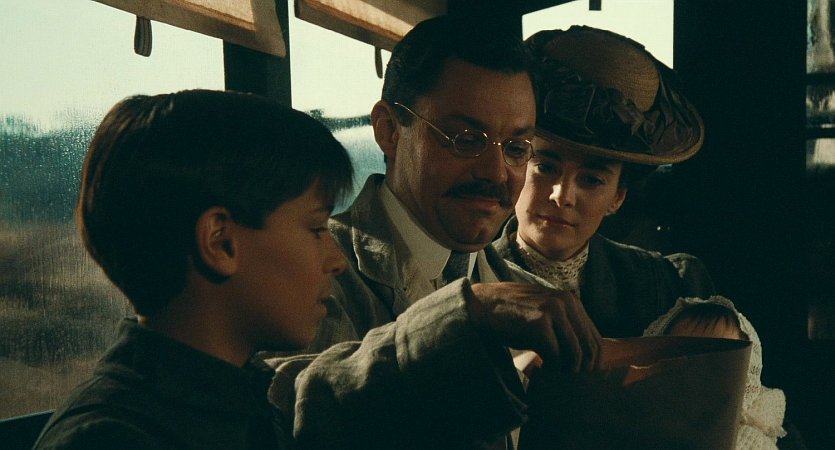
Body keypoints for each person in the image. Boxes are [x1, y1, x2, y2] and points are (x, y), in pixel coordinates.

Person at [265, 15, 602, 449]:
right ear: (389, 130)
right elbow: (280, 410)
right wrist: (463, 316)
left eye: (517, 149)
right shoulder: (312, 269)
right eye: (466, 139)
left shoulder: (531, 298)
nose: (496, 172)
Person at [32, 89, 354, 449]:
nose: (337, 261)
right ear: (220, 242)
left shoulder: (244, 405)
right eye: (316, 229)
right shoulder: (110, 440)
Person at [493, 26, 716, 338]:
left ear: (618, 197)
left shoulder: (663, 286)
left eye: (591, 179)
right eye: (545, 167)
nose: (562, 195)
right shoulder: (468, 282)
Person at [645, 296, 788, 450]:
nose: (700, 375)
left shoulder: (753, 430)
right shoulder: (650, 418)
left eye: (718, 363)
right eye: (684, 358)